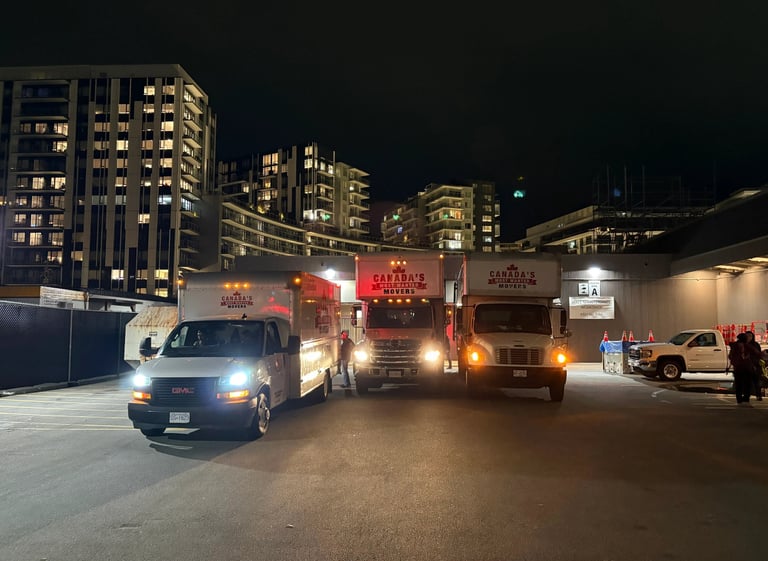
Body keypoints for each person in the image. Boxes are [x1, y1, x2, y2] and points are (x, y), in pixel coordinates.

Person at [729, 333, 756, 403]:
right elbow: (757, 353)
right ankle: (746, 397)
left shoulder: (734, 346)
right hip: (747, 367)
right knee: (747, 383)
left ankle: (739, 398)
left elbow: (730, 356)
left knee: (738, 384)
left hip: (738, 367)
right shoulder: (748, 346)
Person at [744, 331, 763, 401]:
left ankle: (758, 395)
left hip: (755, 365)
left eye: (750, 336)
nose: (749, 337)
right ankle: (747, 396)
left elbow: (759, 355)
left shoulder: (755, 345)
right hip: (746, 366)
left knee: (756, 382)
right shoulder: (743, 344)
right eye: (747, 336)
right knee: (747, 382)